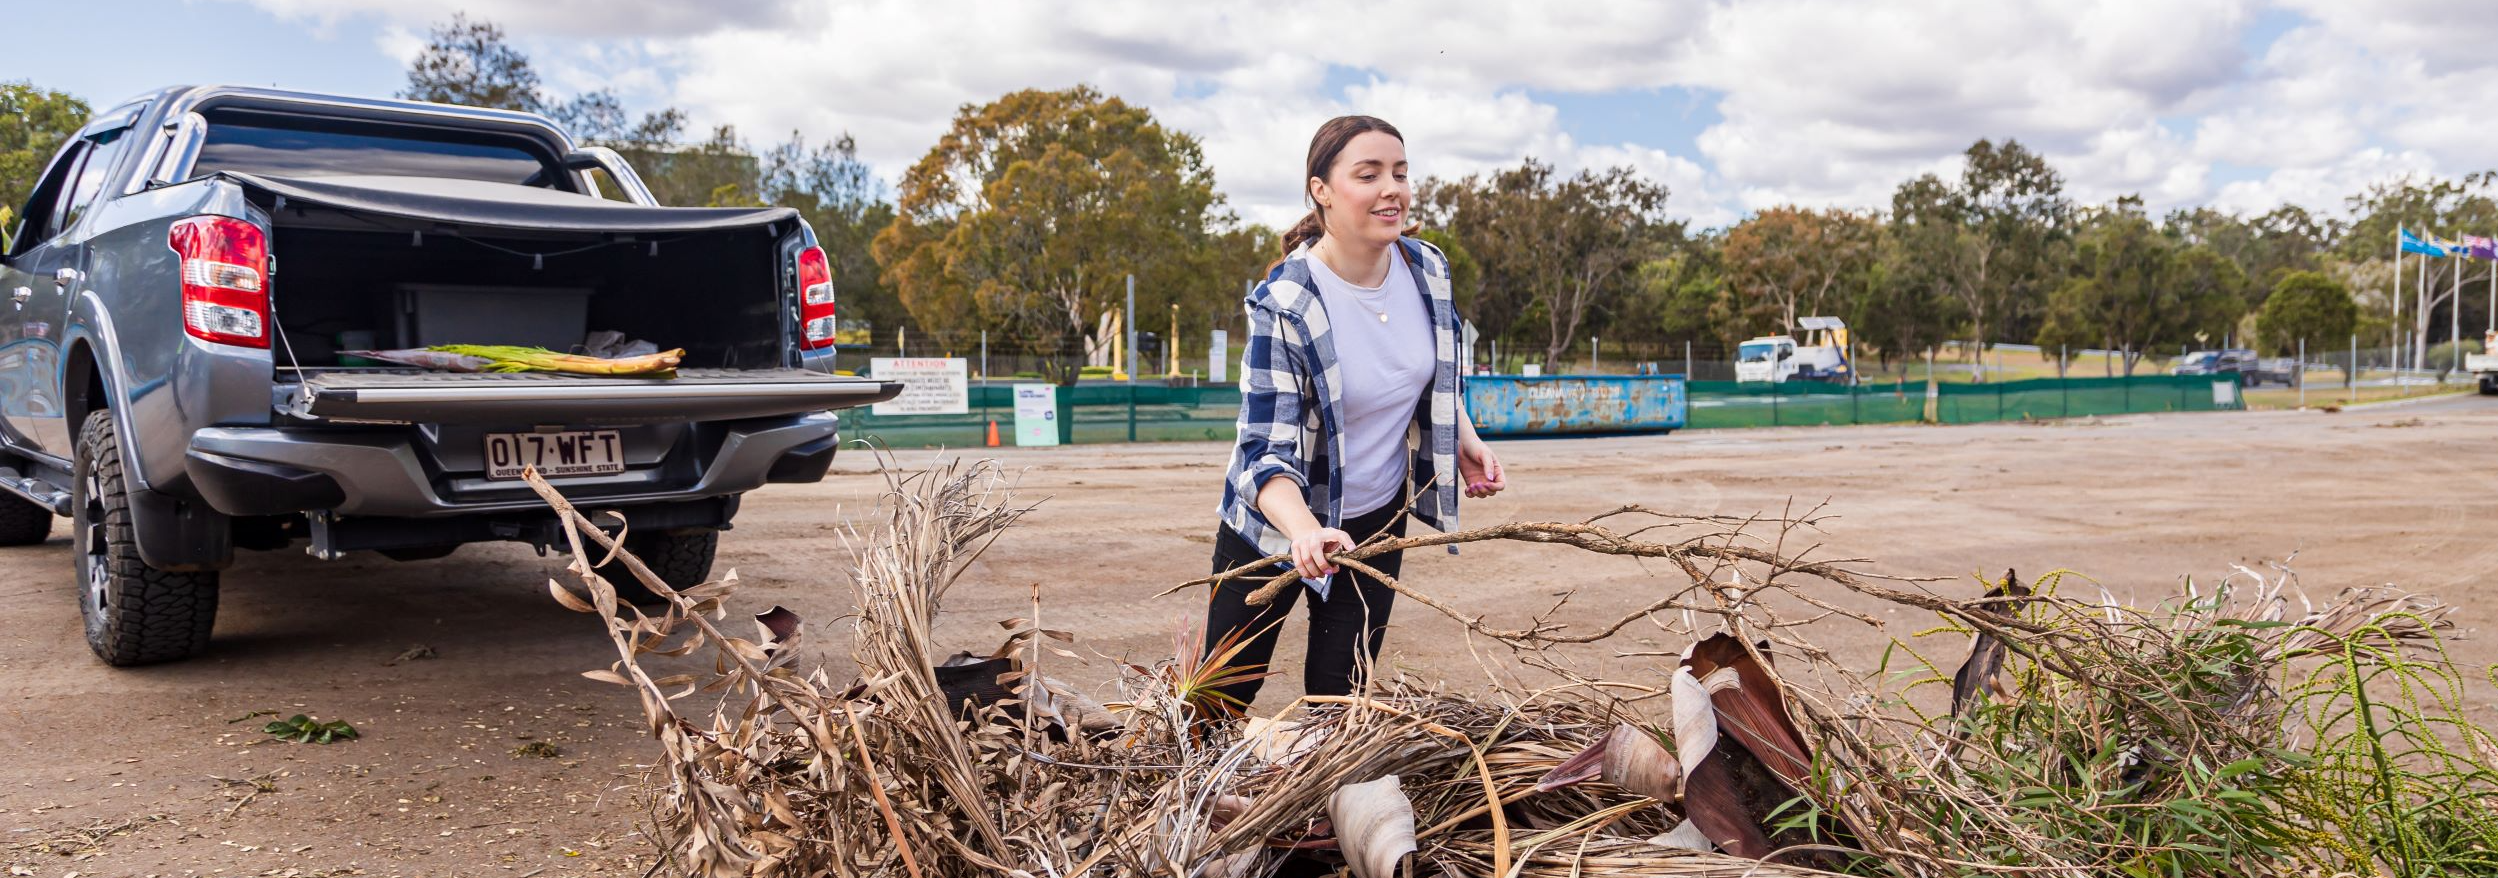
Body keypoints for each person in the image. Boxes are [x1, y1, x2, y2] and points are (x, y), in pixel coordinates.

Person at [1202, 115, 1508, 712]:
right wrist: (1305, 532)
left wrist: (1464, 438)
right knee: (1222, 692)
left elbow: (1431, 376)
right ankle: (1196, 801)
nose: (1391, 188)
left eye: (1399, 172)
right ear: (1321, 190)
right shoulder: (1286, 302)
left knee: (1339, 699)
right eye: (1368, 175)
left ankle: (1317, 805)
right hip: (1275, 527)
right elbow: (1264, 448)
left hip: (1375, 519)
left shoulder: (1428, 269)